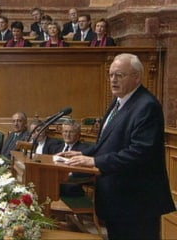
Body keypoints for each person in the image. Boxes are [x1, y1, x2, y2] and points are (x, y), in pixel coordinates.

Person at [59, 53, 176, 239]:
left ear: (137, 77)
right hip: (118, 200)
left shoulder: (147, 106)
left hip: (137, 203)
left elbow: (139, 153)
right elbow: (107, 143)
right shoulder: (119, 101)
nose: (113, 79)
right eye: (111, 74)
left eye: (119, 75)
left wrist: (94, 161)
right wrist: (82, 153)